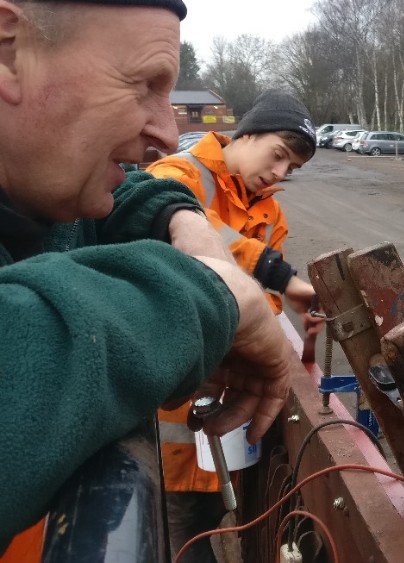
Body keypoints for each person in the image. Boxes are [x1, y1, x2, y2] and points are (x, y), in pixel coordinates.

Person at [0, 0, 304, 557]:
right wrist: (220, 296)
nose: (167, 132)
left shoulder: (42, 192)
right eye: (144, 84)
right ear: (8, 50)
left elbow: (115, 202)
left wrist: (181, 221)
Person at [145, 89, 322, 561]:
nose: (280, 173)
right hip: (169, 411)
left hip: (230, 413)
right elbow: (190, 227)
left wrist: (280, 312)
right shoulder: (178, 174)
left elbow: (265, 302)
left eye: (292, 168)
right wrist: (277, 275)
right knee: (177, 532)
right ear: (246, 134)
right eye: (278, 155)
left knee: (219, 519)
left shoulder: (270, 212)